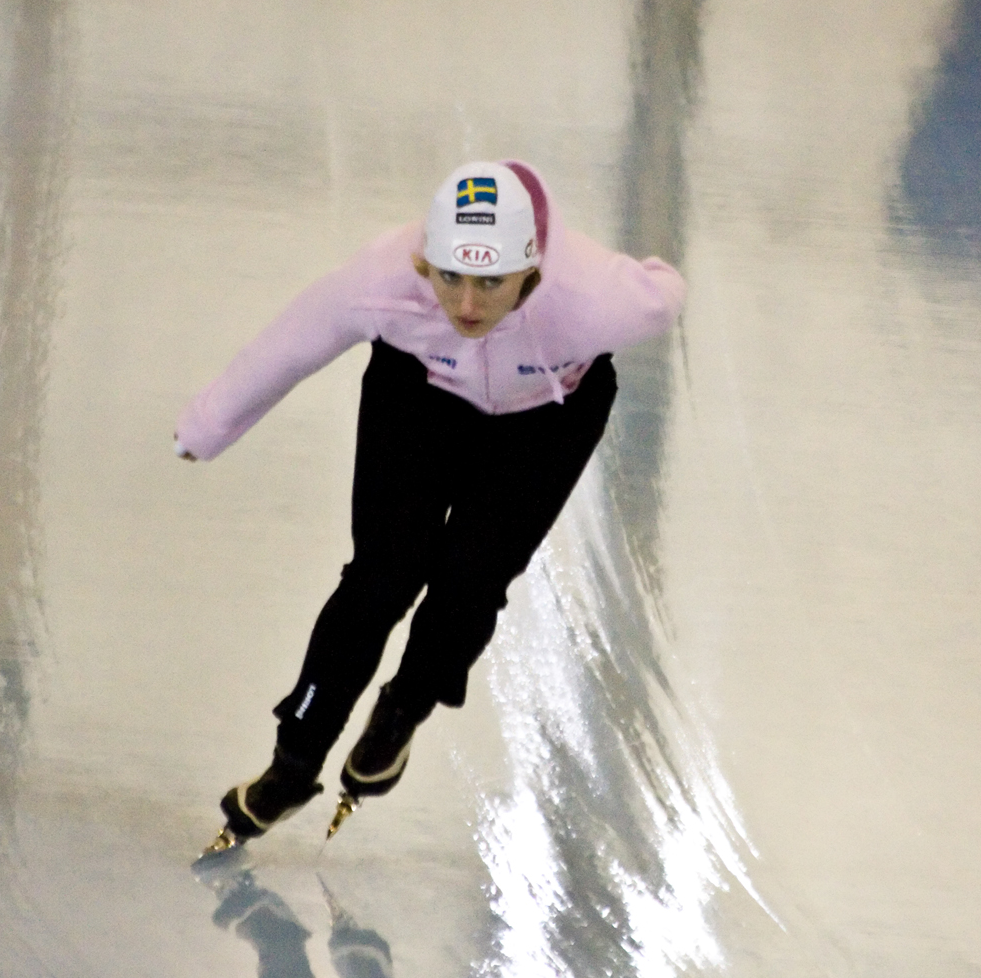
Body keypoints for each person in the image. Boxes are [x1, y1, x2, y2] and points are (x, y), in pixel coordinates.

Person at [176, 159, 684, 849]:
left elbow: (665, 291)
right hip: (418, 395)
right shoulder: (383, 279)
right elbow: (288, 347)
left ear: (533, 274)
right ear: (424, 263)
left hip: (547, 417)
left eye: (491, 284)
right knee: (381, 578)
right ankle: (292, 765)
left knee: (470, 580)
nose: (468, 305)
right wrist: (208, 425)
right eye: (449, 278)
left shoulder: (598, 299)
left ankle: (402, 710)